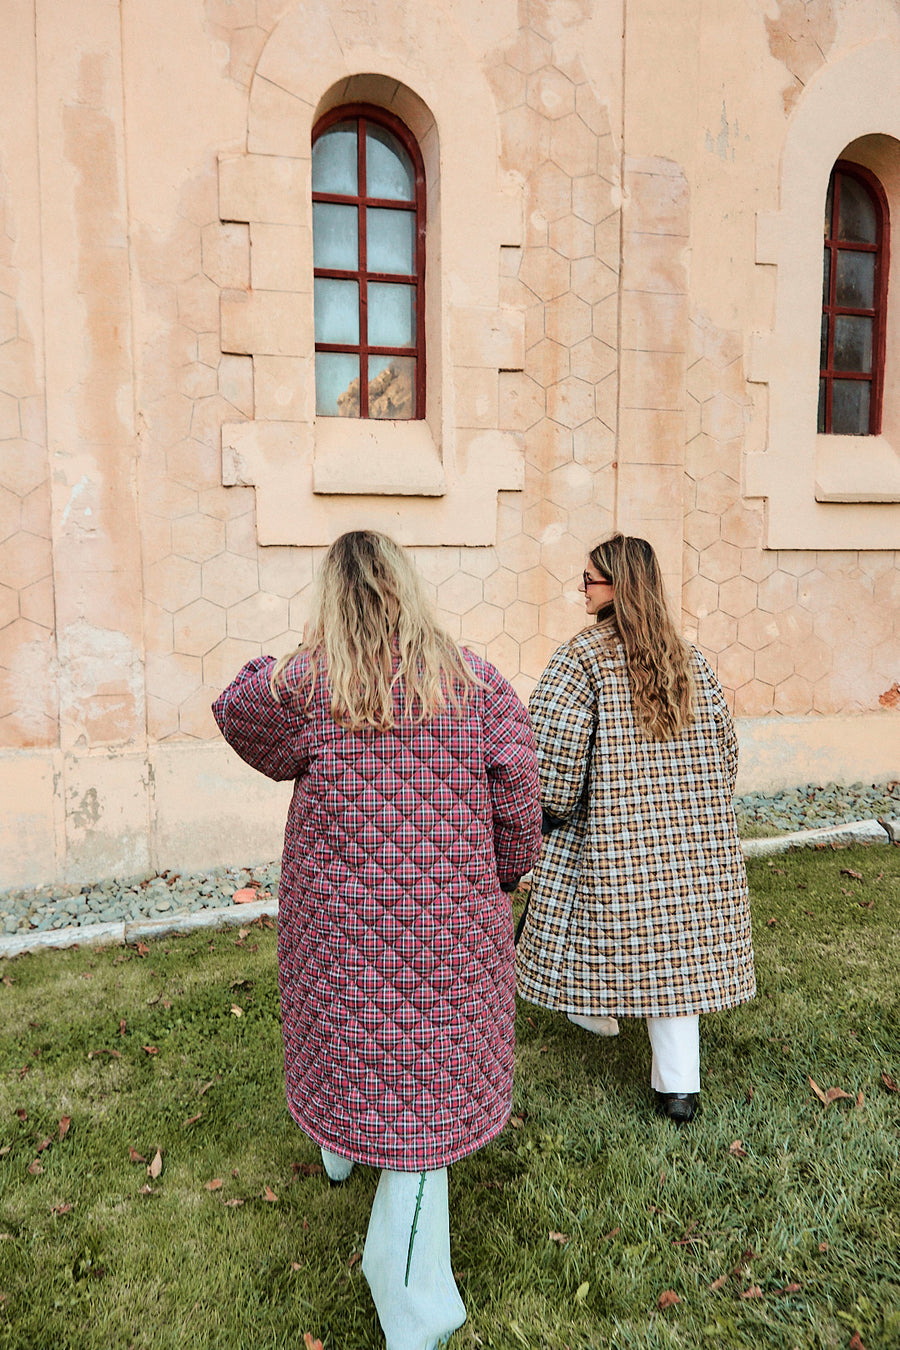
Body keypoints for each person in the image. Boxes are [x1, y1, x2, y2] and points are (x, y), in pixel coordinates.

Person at [212, 530, 542, 1349]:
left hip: (345, 929)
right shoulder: (469, 678)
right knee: (423, 1092)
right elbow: (520, 793)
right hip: (450, 928)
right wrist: (506, 869)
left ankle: (353, 1178)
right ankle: (414, 1312)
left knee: (358, 1052)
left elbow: (236, 706)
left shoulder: (311, 688)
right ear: (409, 587)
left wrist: (302, 651)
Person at [516, 533, 755, 1124]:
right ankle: (678, 1091)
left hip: (613, 837)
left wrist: (548, 814)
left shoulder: (581, 659)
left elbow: (554, 755)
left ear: (617, 587)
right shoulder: (689, 658)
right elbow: (726, 750)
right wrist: (699, 812)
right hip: (692, 842)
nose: (581, 586)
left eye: (590, 578)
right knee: (674, 957)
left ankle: (594, 1009)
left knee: (597, 933)